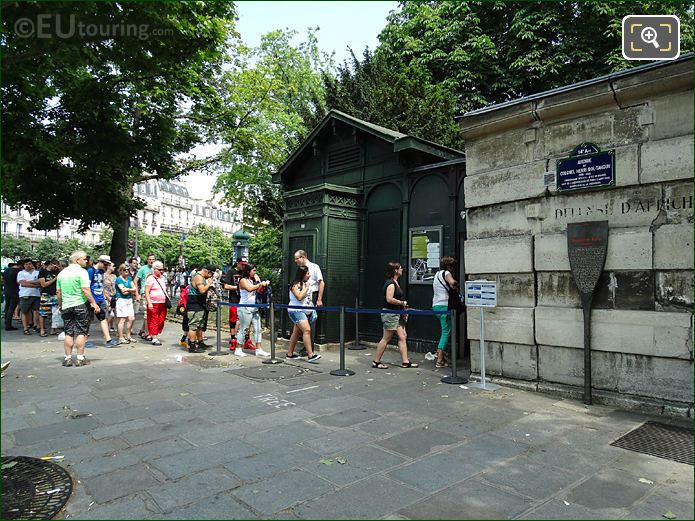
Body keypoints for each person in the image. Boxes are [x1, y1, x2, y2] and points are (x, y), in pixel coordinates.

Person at [56, 250, 101, 367]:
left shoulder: (62, 273)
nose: (86, 261)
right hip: (80, 304)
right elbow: (85, 290)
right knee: (81, 331)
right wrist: (94, 303)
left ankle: (68, 358)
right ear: (77, 260)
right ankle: (80, 358)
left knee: (68, 332)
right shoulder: (82, 272)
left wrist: (61, 304)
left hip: (66, 305)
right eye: (84, 259)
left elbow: (58, 292)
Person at [373, 261, 418, 370]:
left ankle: (405, 362)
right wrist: (402, 303)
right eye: (400, 268)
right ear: (395, 270)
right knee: (386, 338)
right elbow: (389, 299)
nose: (402, 269)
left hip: (396, 313)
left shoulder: (395, 283)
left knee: (402, 336)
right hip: (390, 313)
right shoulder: (391, 283)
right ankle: (376, 361)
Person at [285, 266, 321, 362]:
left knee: (296, 333)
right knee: (307, 330)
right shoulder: (296, 285)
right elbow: (299, 297)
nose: (309, 276)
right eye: (307, 274)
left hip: (305, 310)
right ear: (303, 274)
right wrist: (307, 287)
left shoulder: (306, 283)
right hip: (296, 310)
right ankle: (310, 355)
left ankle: (289, 354)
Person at [235, 263, 270, 357]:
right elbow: (249, 288)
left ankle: (259, 348)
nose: (255, 272)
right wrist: (259, 284)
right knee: (244, 329)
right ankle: (238, 348)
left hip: (255, 308)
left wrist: (260, 282)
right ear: (248, 271)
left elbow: (258, 289)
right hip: (245, 308)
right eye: (253, 270)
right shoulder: (243, 280)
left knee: (258, 329)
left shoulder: (253, 279)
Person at [293, 250, 324, 355]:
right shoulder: (300, 269)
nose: (295, 261)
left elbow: (321, 282)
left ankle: (309, 349)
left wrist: (319, 299)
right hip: (303, 296)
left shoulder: (315, 267)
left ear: (302, 257)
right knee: (302, 323)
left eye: (297, 258)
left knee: (311, 322)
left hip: (312, 296)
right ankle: (306, 347)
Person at [86, 255, 120, 347]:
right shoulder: (90, 271)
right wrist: (92, 302)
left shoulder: (101, 272)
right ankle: (84, 341)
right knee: (87, 320)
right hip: (92, 300)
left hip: (101, 299)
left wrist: (107, 297)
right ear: (100, 262)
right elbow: (87, 287)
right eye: (105, 264)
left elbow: (101, 287)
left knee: (103, 318)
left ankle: (108, 340)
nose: (106, 267)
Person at [432, 256, 458, 368]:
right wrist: (455, 284)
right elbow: (452, 282)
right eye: (452, 266)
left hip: (436, 305)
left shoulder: (437, 275)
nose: (453, 269)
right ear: (448, 266)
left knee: (445, 330)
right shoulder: (447, 273)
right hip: (444, 305)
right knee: (446, 332)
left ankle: (440, 355)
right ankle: (439, 360)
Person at [185, 264, 216, 353]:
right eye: (211, 274)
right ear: (208, 271)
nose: (211, 277)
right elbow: (202, 290)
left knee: (200, 325)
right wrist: (209, 283)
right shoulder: (199, 277)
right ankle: (192, 345)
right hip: (195, 304)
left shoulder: (201, 277)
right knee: (194, 326)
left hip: (200, 304)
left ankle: (200, 342)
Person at [144, 260, 169, 346]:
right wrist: (149, 302)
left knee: (161, 319)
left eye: (162, 270)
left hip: (162, 302)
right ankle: (154, 337)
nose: (161, 271)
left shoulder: (163, 278)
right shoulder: (150, 278)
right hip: (153, 302)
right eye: (159, 269)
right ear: (154, 269)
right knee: (154, 319)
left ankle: (153, 333)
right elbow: (146, 291)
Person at [17, 259, 41, 335]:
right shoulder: (21, 273)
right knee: (24, 312)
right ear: (23, 265)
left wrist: (28, 282)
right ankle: (25, 328)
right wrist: (35, 285)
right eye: (26, 264)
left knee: (36, 311)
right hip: (25, 294)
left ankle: (36, 325)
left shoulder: (37, 273)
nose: (28, 265)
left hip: (36, 294)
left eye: (29, 264)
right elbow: (23, 283)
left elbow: (40, 282)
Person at [115, 263, 138, 343]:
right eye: (124, 270)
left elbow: (134, 289)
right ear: (121, 271)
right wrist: (130, 290)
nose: (126, 271)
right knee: (122, 320)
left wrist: (127, 289)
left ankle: (128, 336)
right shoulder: (119, 279)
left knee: (131, 318)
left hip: (129, 300)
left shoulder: (129, 279)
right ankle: (121, 337)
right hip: (121, 300)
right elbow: (123, 291)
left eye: (127, 270)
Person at [223, 259, 243, 350]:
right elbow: (226, 286)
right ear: (238, 263)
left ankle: (245, 339)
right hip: (234, 300)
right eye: (242, 264)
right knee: (233, 320)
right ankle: (232, 339)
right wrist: (238, 287)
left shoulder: (245, 272)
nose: (243, 266)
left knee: (244, 320)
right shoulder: (231, 272)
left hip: (244, 300)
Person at [134, 253, 155, 340]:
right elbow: (135, 280)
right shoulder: (143, 269)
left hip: (153, 293)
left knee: (150, 313)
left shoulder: (155, 269)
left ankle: (142, 330)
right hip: (144, 292)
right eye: (149, 259)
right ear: (147, 260)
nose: (151, 261)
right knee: (147, 314)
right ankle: (147, 333)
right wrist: (137, 294)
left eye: (153, 259)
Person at [37, 259, 59, 336]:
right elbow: (43, 284)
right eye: (55, 266)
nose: (56, 268)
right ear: (51, 264)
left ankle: (53, 329)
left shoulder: (57, 272)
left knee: (55, 313)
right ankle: (42, 330)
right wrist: (55, 279)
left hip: (55, 295)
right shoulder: (42, 272)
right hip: (46, 295)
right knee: (43, 313)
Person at [3, 262, 20, 331]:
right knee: (11, 308)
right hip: (14, 291)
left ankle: (6, 322)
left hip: (7, 290)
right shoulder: (18, 271)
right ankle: (8, 325)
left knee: (7, 307)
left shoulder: (6, 270)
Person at [103, 262, 117, 333]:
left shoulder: (114, 276)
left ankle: (111, 326)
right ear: (108, 266)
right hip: (106, 296)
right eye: (113, 266)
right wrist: (107, 296)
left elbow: (116, 286)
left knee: (113, 312)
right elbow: (102, 288)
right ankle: (105, 327)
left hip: (114, 295)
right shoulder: (103, 275)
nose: (114, 267)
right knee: (109, 313)